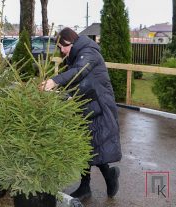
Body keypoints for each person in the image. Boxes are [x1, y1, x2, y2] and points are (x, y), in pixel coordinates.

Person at [40, 27, 122, 200]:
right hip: (86, 105)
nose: (61, 50)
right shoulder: (75, 56)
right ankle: (86, 188)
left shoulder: (89, 52)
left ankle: (109, 177)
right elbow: (76, 82)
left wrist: (54, 81)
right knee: (86, 148)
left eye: (63, 46)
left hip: (100, 106)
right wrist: (64, 95)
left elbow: (79, 71)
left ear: (71, 42)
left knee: (96, 148)